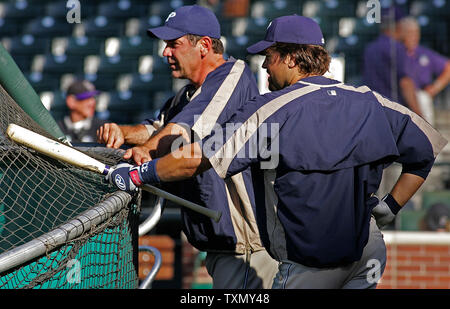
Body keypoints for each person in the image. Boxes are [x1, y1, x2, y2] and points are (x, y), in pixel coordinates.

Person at [105, 15, 447, 289]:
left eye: (270, 57)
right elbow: (427, 148)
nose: (265, 67)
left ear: (293, 58)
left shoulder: (274, 109)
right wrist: (389, 208)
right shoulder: (370, 101)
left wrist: (139, 175)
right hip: (368, 253)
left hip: (313, 264)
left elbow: (198, 156)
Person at [97, 5, 278, 289]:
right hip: (223, 245)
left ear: (204, 45)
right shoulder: (187, 93)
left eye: (174, 44)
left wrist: (148, 152)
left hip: (249, 247)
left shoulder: (233, 74)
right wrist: (123, 132)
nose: (165, 52)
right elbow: (157, 128)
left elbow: (182, 130)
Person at [363, 6, 423, 117]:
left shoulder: (370, 48)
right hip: (395, 110)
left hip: (373, 108)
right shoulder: (397, 48)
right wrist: (420, 116)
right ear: (399, 26)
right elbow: (405, 83)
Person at [398, 16, 450, 126]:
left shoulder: (423, 53)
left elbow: (448, 67)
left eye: (416, 33)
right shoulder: (397, 53)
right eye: (409, 33)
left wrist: (435, 87)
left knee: (426, 134)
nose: (413, 37)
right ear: (402, 34)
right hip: (401, 100)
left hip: (422, 98)